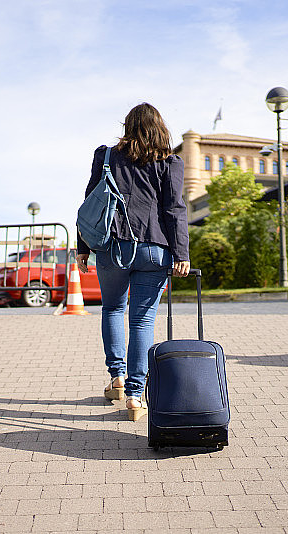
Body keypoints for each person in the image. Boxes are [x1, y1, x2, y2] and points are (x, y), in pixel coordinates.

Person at [77, 103, 190, 421]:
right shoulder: (169, 161)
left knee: (112, 308)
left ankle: (117, 378)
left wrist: (83, 248)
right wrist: (181, 253)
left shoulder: (107, 156)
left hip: (112, 246)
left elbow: (91, 203)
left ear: (127, 126)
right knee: (142, 321)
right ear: (160, 128)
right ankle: (135, 396)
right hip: (154, 248)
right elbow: (173, 209)